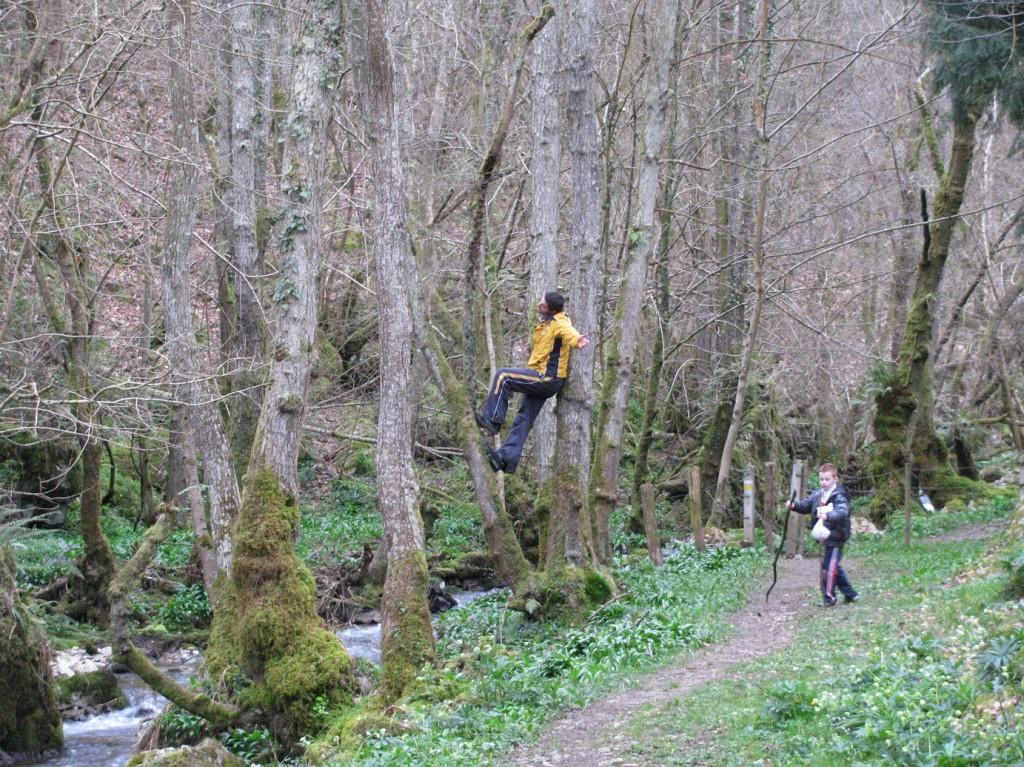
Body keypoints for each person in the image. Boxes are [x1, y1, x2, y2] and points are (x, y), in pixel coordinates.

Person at [474, 291, 589, 473]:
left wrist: (577, 340)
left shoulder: (560, 322)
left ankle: (492, 420)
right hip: (542, 378)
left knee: (503, 376)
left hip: (547, 379)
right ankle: (506, 459)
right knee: (524, 418)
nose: (538, 305)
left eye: (542, 304)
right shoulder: (546, 323)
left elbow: (569, 332)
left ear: (552, 310)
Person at [787, 463, 859, 607]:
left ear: (835, 479)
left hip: (836, 536)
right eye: (821, 479)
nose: (824, 482)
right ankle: (851, 594)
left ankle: (829, 598)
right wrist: (794, 505)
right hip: (825, 536)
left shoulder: (840, 495)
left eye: (827, 479)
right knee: (833, 565)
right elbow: (807, 505)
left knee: (828, 568)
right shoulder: (817, 494)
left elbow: (842, 511)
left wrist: (828, 516)